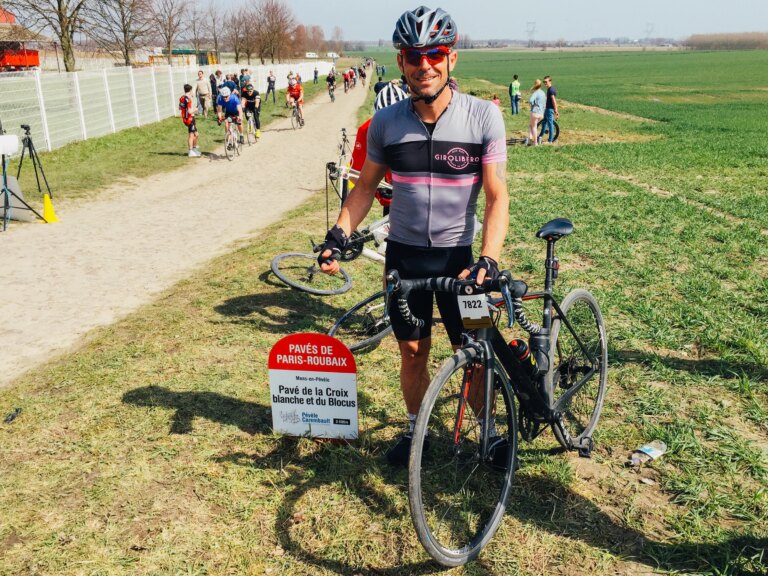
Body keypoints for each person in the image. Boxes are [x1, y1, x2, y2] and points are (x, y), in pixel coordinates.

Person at [318, 6, 508, 466]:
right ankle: (415, 430)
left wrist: (488, 258)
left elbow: (497, 195)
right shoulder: (387, 123)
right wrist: (338, 234)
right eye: (414, 56)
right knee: (411, 350)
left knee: (475, 350)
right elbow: (365, 189)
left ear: (452, 58)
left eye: (435, 54)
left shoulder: (483, 116)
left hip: (461, 259)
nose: (425, 65)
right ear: (400, 61)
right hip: (404, 257)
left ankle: (488, 431)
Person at [348, 83, 410, 219]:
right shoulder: (366, 130)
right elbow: (355, 174)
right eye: (384, 124)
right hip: (391, 193)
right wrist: (377, 190)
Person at [179, 84, 200, 157]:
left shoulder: (182, 98)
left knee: (196, 134)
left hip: (186, 118)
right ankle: (190, 151)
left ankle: (194, 149)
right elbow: (190, 111)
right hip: (190, 119)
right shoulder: (188, 100)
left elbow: (180, 107)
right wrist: (195, 109)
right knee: (191, 135)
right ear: (190, 90)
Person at [538, 75, 559, 144]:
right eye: (544, 82)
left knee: (550, 125)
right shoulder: (550, 89)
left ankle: (550, 141)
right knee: (544, 123)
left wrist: (556, 110)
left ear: (550, 81)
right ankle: (540, 136)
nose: (545, 83)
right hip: (547, 109)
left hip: (550, 109)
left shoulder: (551, 90)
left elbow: (553, 100)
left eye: (546, 82)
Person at [527, 79, 545, 146]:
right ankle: (530, 140)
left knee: (533, 127)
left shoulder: (536, 93)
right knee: (532, 125)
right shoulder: (543, 93)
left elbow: (530, 100)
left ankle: (535, 142)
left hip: (535, 112)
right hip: (541, 113)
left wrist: (533, 104)